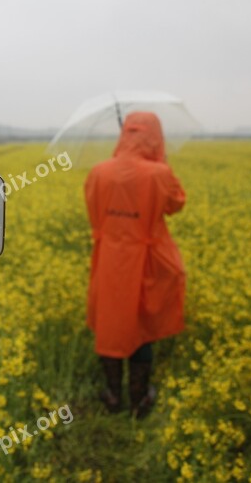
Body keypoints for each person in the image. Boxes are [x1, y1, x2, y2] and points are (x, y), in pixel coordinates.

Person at [84, 111, 187, 418]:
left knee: (111, 322)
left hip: (109, 258)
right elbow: (176, 205)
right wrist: (161, 164)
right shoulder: (159, 173)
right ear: (156, 137)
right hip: (147, 260)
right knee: (142, 324)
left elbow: (93, 212)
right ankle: (140, 398)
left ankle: (113, 395)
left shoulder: (98, 172)